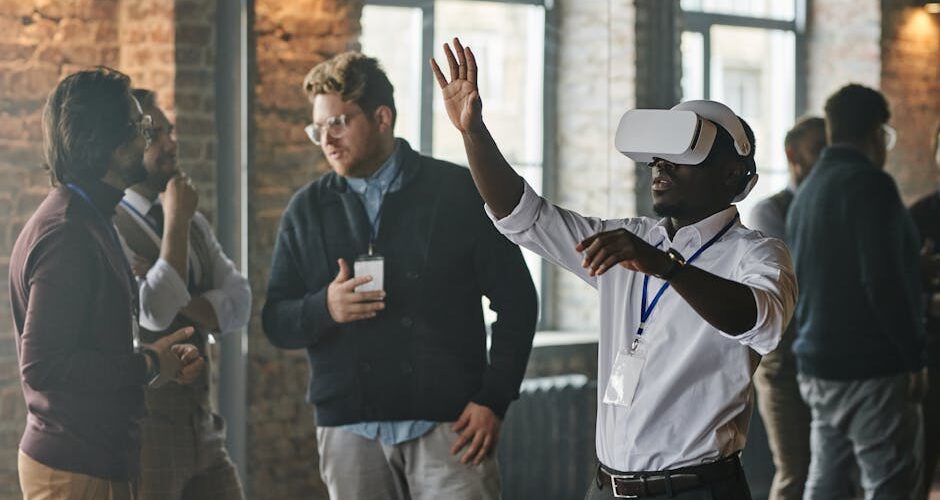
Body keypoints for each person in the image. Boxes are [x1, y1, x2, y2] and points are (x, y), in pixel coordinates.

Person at [431, 39, 796, 499]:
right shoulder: (629, 238)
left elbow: (760, 321)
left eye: (680, 154)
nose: (660, 165)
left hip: (696, 491)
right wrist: (473, 133)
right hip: (608, 487)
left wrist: (664, 267)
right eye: (657, 155)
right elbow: (525, 216)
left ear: (731, 174)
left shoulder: (757, 254)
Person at [261, 52, 538, 500]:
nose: (327, 139)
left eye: (339, 123)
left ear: (382, 117)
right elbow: (276, 319)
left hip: (452, 426)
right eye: (318, 128)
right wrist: (325, 307)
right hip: (349, 430)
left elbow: (518, 301)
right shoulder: (306, 209)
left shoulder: (457, 191)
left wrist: (494, 399)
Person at [9, 67, 203, 500]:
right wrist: (147, 364)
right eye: (138, 126)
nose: (147, 137)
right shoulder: (67, 232)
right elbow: (43, 367)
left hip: (96, 460)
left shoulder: (90, 217)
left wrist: (159, 362)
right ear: (108, 144)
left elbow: (92, 346)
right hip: (76, 466)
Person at [787, 83, 926, 500]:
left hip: (816, 362)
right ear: (877, 133)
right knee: (889, 483)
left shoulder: (807, 190)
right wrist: (913, 358)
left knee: (826, 482)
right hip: (870, 366)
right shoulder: (871, 185)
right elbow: (883, 282)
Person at [114, 89, 250, 500]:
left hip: (204, 424)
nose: (171, 144)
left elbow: (240, 302)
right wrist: (175, 220)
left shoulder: (195, 220)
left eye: (169, 132)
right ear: (127, 145)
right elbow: (154, 312)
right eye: (154, 135)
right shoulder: (113, 224)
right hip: (149, 434)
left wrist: (181, 299)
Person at [749, 116, 825, 500]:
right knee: (794, 469)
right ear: (792, 154)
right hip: (783, 365)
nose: (826, 160)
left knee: (830, 469)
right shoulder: (770, 211)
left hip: (826, 360)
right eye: (818, 150)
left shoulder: (833, 208)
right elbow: (799, 279)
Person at [909, 121, 940, 497]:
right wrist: (928, 302)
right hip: (932, 354)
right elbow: (897, 285)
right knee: (921, 459)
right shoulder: (918, 216)